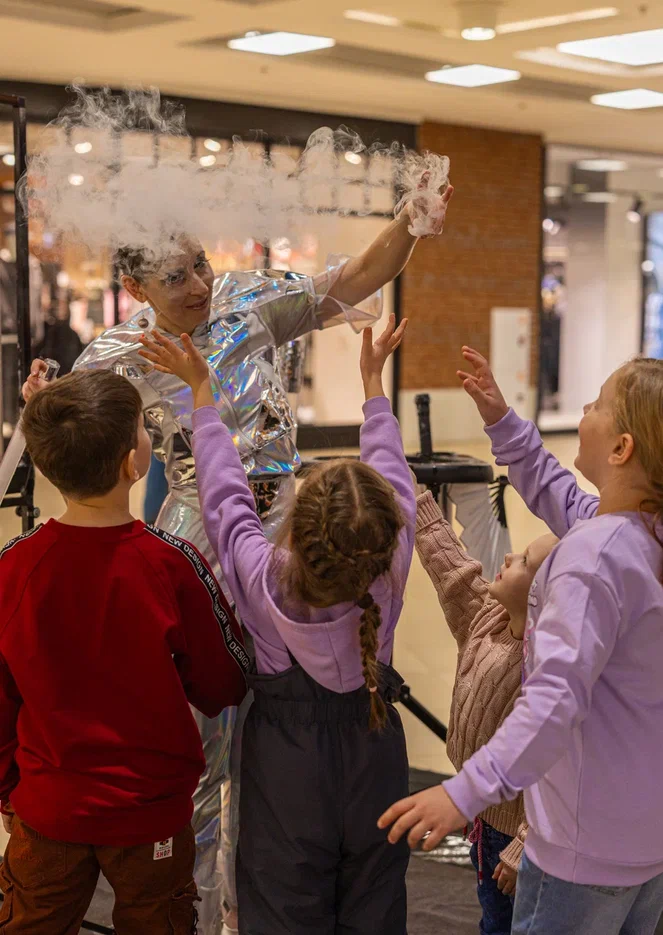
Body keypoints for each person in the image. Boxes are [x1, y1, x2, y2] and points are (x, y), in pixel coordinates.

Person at [24, 186, 453, 934]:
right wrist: (41, 403)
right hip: (199, 532)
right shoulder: (117, 356)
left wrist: (409, 222)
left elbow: (355, 277)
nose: (198, 285)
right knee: (200, 740)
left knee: (278, 736)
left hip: (289, 526)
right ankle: (193, 909)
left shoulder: (249, 303)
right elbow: (73, 435)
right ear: (134, 288)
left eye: (200, 264)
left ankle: (250, 908)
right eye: (175, 277)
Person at [138, 314, 415, 934]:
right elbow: (395, 480)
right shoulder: (388, 570)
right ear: (386, 533)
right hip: (374, 751)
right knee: (374, 903)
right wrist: (374, 389)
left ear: (297, 523)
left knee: (281, 904)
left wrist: (203, 397)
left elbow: (225, 502)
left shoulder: (264, 579)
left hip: (285, 768)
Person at [380, 348, 663, 935]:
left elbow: (553, 699)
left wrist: (464, 793)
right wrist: (502, 421)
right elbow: (563, 496)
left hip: (583, 857)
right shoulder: (642, 534)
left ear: (621, 448)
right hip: (647, 846)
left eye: (597, 404)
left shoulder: (592, 557)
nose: (583, 410)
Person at [1, 369, 247, 934]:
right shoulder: (172, 564)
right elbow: (224, 683)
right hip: (150, 815)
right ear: (130, 464)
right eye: (143, 427)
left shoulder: (13, 567)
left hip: (47, 809)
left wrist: (8, 794)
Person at [415, 489, 557, 934]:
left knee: (511, 925)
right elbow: (453, 572)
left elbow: (559, 771)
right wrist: (414, 499)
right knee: (493, 916)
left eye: (525, 562)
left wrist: (523, 847)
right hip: (485, 821)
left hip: (520, 841)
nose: (509, 556)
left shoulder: (551, 672)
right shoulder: (490, 618)